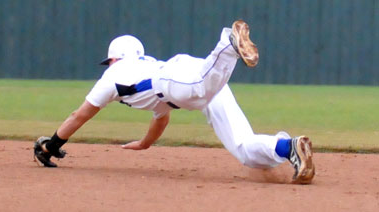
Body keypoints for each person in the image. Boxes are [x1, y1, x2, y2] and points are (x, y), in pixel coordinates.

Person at [34, 20, 315, 184]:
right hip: (181, 83)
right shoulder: (138, 72)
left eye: (109, 60)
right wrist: (144, 143)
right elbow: (162, 117)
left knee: (202, 87)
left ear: (115, 58)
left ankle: (228, 44)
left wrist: (52, 144)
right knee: (244, 148)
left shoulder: (114, 75)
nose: (108, 64)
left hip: (174, 79)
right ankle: (289, 147)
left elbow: (79, 115)